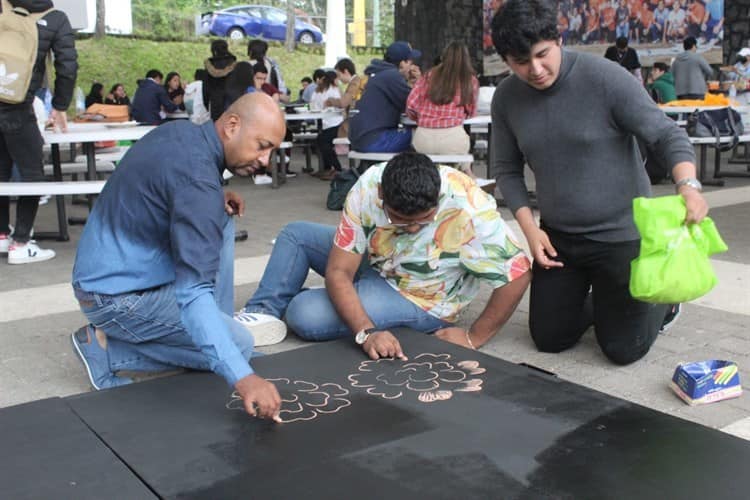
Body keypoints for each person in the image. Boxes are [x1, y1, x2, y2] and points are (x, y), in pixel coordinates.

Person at [490, 0, 708, 365]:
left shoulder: (605, 78)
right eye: (521, 62)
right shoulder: (508, 97)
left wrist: (688, 186)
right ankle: (605, 301)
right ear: (507, 60)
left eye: (543, 55)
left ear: (557, 40)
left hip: (621, 235)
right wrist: (530, 229)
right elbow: (506, 169)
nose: (536, 69)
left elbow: (667, 136)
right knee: (549, 339)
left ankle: (666, 302)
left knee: (622, 350)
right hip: (559, 236)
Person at [70, 93, 286, 420]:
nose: (266, 160)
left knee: (220, 218)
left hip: (107, 271)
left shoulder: (183, 133)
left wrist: (213, 199)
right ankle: (108, 351)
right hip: (113, 298)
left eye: (272, 151)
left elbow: (167, 188)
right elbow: (192, 293)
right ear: (231, 126)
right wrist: (242, 376)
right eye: (262, 145)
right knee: (239, 346)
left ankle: (214, 331)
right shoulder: (197, 181)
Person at [235, 152, 532, 356]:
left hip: (420, 295)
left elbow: (518, 275)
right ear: (382, 198)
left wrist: (474, 336)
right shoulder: (367, 188)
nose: (414, 229)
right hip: (377, 260)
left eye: (424, 221)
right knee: (294, 235)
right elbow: (339, 272)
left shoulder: (469, 209)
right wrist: (366, 332)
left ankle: (323, 298)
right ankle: (262, 315)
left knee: (305, 313)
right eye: (401, 221)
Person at [0, 0, 77, 265]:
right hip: (18, 108)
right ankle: (20, 243)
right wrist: (60, 106)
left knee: (0, 171)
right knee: (33, 175)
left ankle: (1, 234)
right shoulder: (55, 18)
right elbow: (67, 65)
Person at [406, 42, 490, 186]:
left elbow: (411, 106)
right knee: (463, 149)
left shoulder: (428, 76)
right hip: (453, 140)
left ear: (443, 57)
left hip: (423, 140)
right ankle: (466, 181)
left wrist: (422, 118)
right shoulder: (470, 81)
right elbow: (471, 112)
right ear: (466, 59)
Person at [349, 41, 421, 153]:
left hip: (359, 139)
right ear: (402, 64)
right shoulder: (391, 76)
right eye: (410, 63)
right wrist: (420, 83)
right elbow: (415, 106)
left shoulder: (377, 73)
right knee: (422, 135)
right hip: (374, 140)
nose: (413, 67)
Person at [309, 69, 344, 180]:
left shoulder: (319, 90)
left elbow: (312, 104)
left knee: (322, 140)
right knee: (322, 140)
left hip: (330, 123)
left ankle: (334, 168)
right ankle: (329, 168)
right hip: (334, 122)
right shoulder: (334, 90)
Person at [198, 40, 238, 122]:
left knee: (217, 126)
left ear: (213, 50)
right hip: (231, 100)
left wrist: (206, 103)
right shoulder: (233, 63)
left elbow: (205, 87)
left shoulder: (209, 64)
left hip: (215, 101)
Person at [325, 58, 363, 139]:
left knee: (324, 137)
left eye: (339, 75)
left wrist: (331, 100)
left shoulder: (355, 83)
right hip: (355, 122)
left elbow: (343, 102)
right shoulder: (357, 81)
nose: (338, 79)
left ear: (345, 71)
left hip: (352, 126)